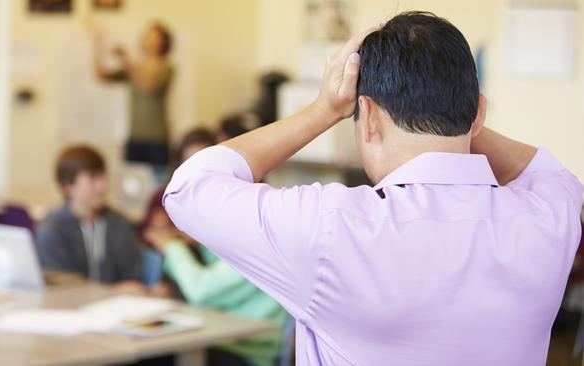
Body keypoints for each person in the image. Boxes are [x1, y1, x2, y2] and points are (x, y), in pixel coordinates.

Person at [163, 12, 583, 365]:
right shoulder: (549, 217)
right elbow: (549, 173)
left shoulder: (331, 228)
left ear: (366, 116)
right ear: (478, 115)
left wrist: (323, 108)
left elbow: (188, 187)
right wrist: (457, 114)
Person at [141, 128, 290, 366]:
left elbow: (202, 290)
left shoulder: (257, 233)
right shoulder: (247, 219)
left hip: (248, 351)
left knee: (155, 357)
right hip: (227, 338)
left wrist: (171, 245)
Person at [36, 145, 155, 289]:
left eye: (103, 176)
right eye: (92, 179)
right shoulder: (53, 228)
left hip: (118, 307)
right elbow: (60, 284)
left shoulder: (118, 223)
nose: (102, 186)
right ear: (68, 186)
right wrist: (114, 290)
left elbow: (133, 276)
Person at [91, 20, 173, 179]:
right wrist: (96, 41)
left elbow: (149, 85)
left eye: (153, 37)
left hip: (157, 139)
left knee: (157, 186)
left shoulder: (166, 68)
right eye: (146, 36)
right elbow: (100, 75)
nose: (148, 40)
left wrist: (125, 58)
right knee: (131, 186)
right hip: (134, 137)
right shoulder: (134, 68)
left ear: (163, 42)